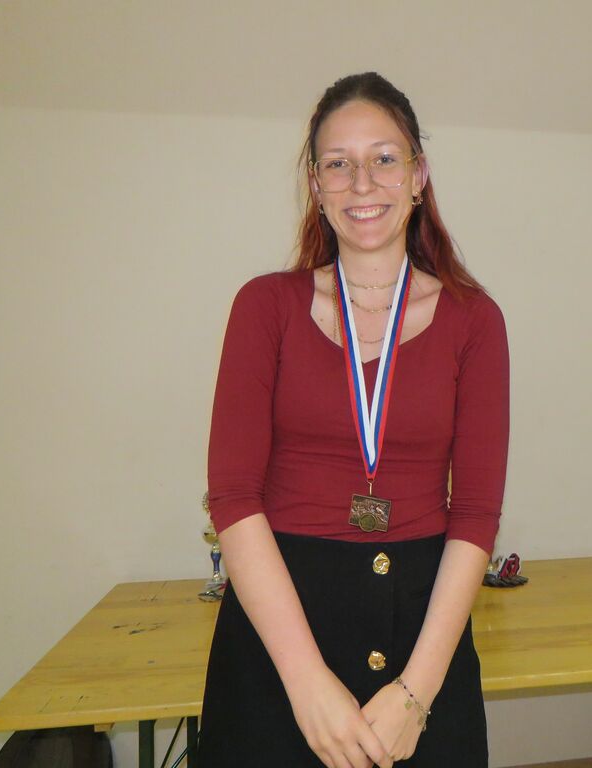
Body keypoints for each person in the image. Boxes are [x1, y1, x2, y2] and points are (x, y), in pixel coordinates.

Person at [199, 72, 510, 768]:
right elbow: (234, 496)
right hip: (279, 641)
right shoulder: (264, 307)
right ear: (316, 185)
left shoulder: (475, 321)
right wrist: (307, 684)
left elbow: (476, 512)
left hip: (423, 639)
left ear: (418, 175)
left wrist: (416, 695)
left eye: (384, 158)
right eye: (338, 164)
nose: (362, 182)